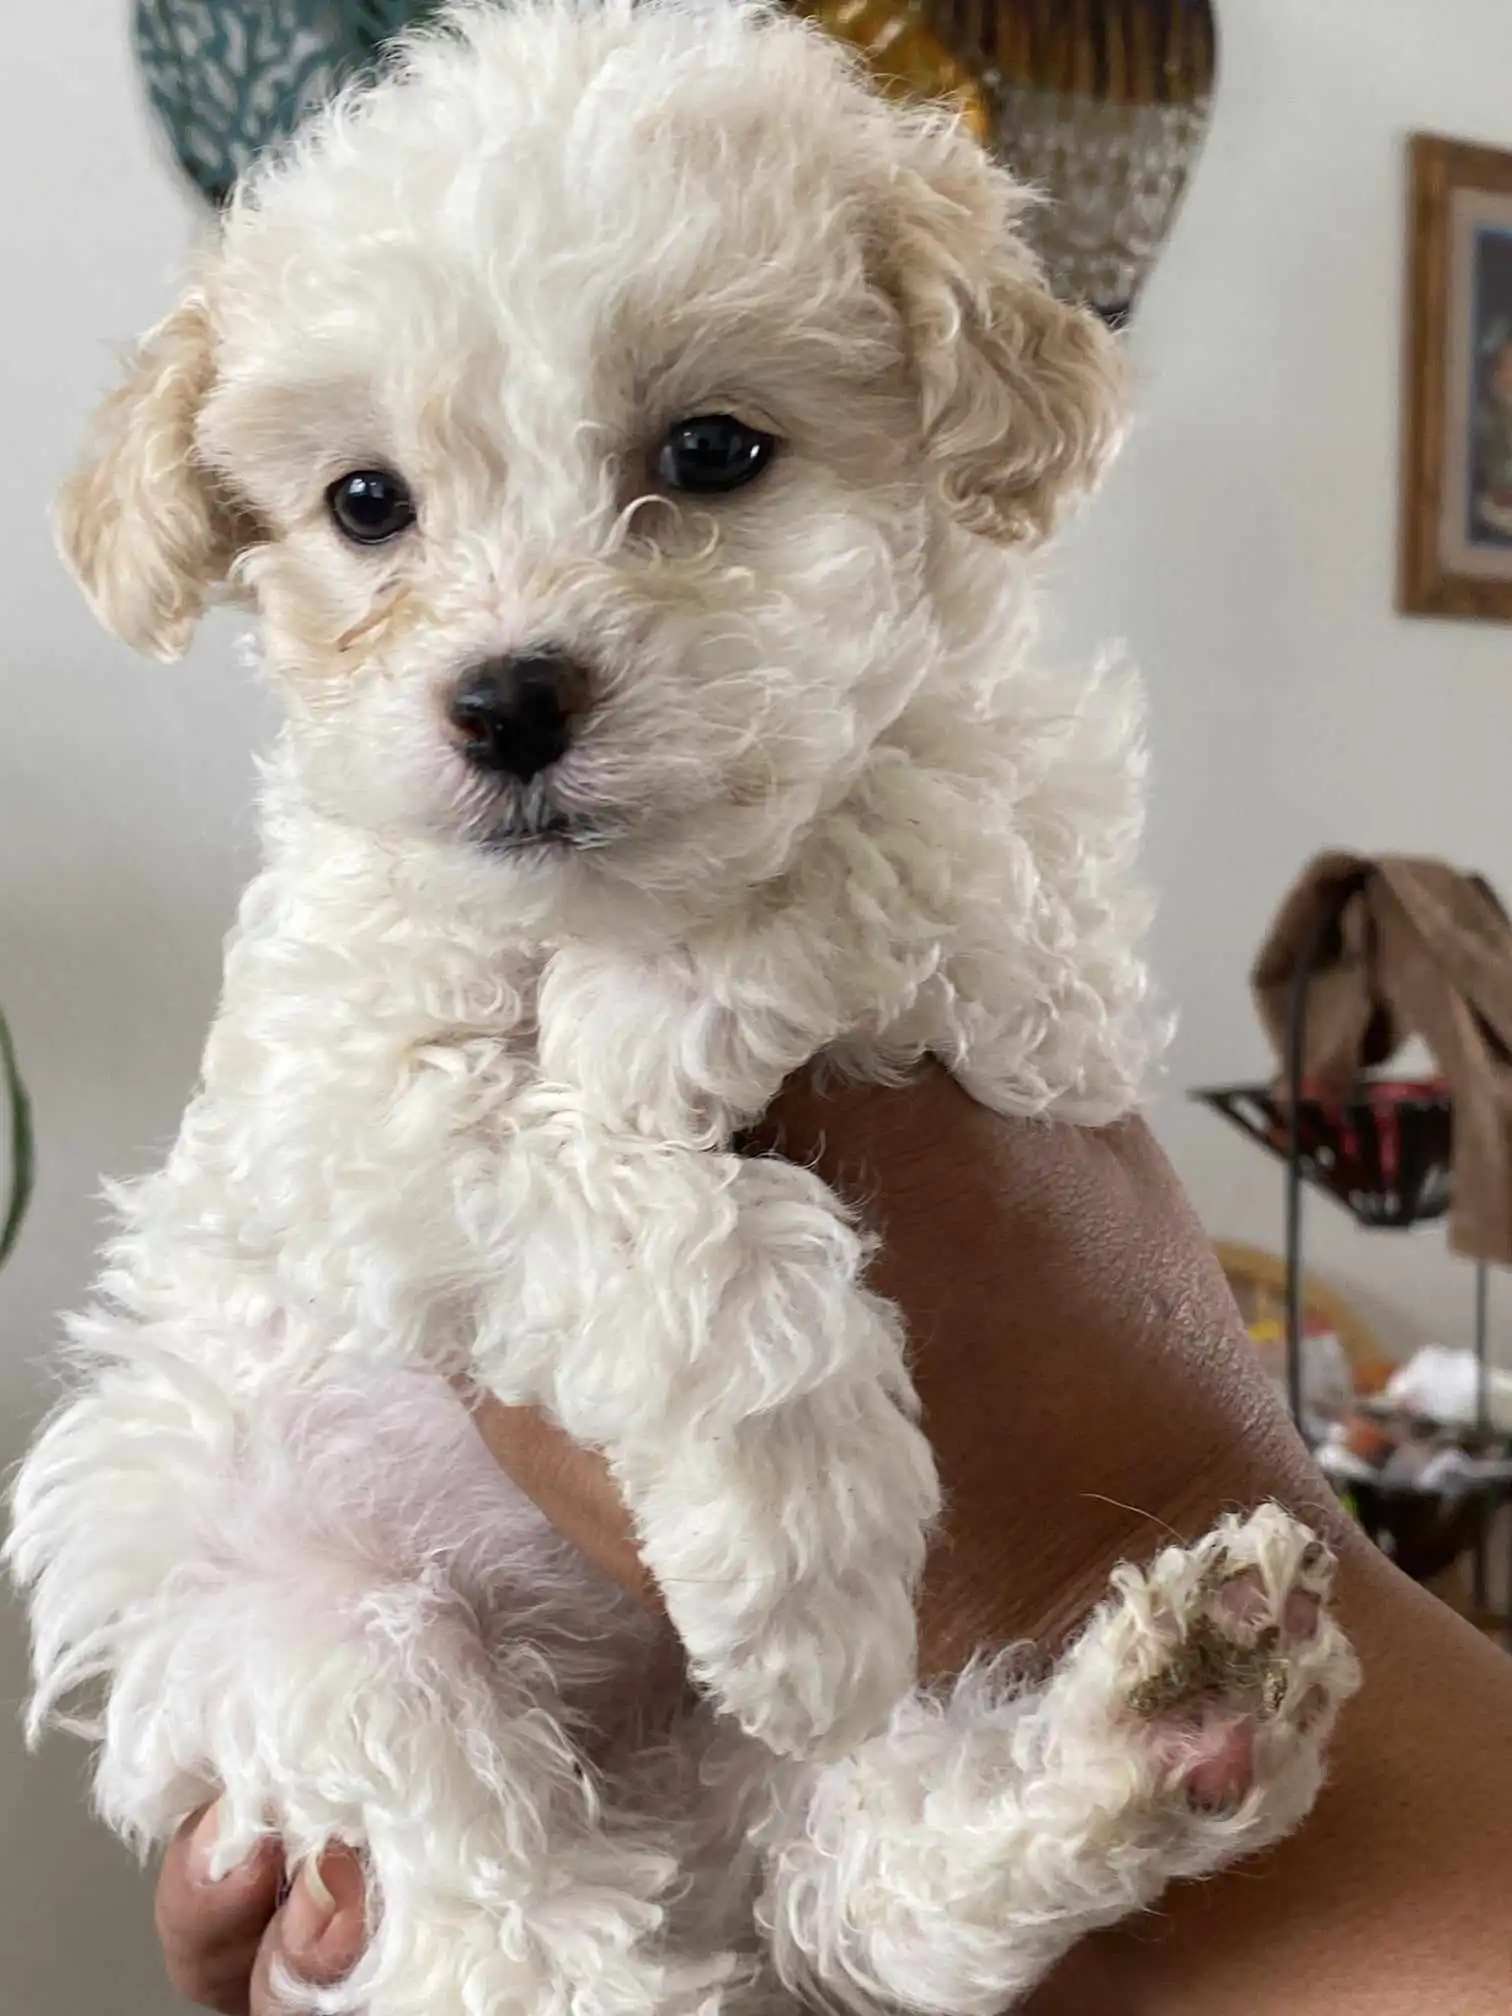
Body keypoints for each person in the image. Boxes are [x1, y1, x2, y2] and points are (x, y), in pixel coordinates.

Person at [153, 1067, 1512, 2015]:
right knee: (468, 1809)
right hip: (372, 1578)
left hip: (766, 1714)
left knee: (785, 1838)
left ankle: (1051, 1809)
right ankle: (1055, 1807)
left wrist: (1075, 1554)